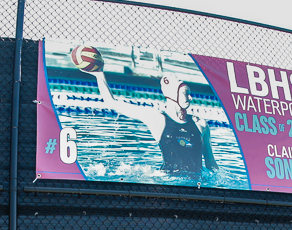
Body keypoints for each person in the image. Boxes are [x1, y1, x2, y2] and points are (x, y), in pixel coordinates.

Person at [82, 60, 218, 179]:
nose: (190, 98)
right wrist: (100, 75)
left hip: (196, 183)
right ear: (173, 94)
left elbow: (211, 163)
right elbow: (112, 103)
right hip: (168, 181)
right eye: (186, 93)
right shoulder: (157, 119)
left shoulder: (200, 124)